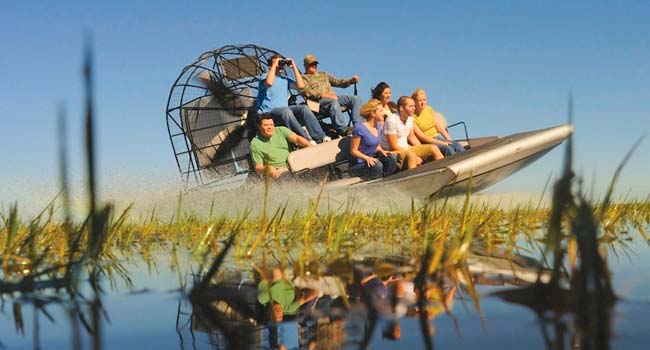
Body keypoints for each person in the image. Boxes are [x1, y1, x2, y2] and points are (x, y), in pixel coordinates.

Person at [256, 54, 328, 143]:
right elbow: (269, 83)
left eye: (281, 63)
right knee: (286, 111)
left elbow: (301, 86)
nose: (280, 65)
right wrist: (275, 65)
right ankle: (305, 140)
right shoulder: (264, 76)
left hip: (284, 110)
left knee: (304, 108)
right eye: (278, 63)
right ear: (270, 67)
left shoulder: (285, 79)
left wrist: (293, 66)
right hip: (268, 113)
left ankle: (320, 137)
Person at [301, 54, 362, 136]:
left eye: (315, 64)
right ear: (305, 65)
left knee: (355, 99)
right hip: (318, 103)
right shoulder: (303, 78)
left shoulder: (324, 74)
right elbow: (307, 92)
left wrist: (351, 81)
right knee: (333, 102)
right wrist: (322, 95)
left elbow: (338, 82)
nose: (314, 66)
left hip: (334, 98)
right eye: (311, 64)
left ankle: (359, 127)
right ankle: (343, 130)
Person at [381, 96, 444, 170]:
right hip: (393, 151)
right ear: (401, 108)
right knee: (412, 155)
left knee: (433, 148)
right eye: (410, 106)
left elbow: (412, 137)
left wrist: (421, 152)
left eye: (414, 106)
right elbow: (393, 146)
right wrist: (416, 156)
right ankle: (415, 179)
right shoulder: (392, 120)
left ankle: (443, 172)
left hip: (406, 148)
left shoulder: (410, 119)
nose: (414, 108)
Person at [250, 114, 312, 179]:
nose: (270, 127)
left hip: (293, 162)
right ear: (259, 126)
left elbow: (297, 139)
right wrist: (268, 168)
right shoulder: (255, 144)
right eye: (266, 125)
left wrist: (312, 148)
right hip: (279, 171)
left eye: (271, 125)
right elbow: (258, 168)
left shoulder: (281, 130)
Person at [348, 99, 397, 180]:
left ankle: (386, 180)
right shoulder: (359, 129)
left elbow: (374, 145)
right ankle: (377, 184)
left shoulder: (378, 126)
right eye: (381, 111)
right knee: (377, 165)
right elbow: (354, 151)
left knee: (392, 158)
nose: (383, 113)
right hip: (358, 164)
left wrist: (381, 150)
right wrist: (367, 158)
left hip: (371, 159)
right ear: (373, 113)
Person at [411, 88, 465, 156]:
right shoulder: (412, 117)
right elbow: (422, 137)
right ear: (414, 102)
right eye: (419, 100)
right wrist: (441, 143)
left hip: (436, 137)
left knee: (457, 146)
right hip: (427, 141)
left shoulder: (428, 109)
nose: (423, 103)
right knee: (447, 149)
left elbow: (437, 125)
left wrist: (448, 138)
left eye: (424, 100)